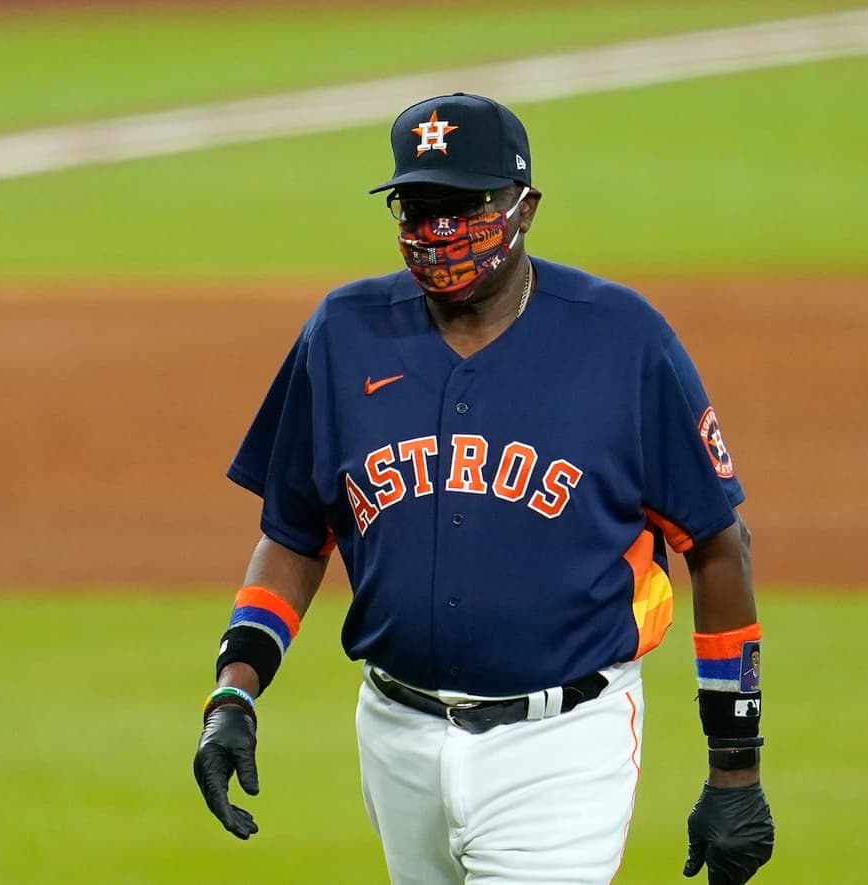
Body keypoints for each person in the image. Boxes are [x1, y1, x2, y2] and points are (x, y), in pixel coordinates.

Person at [193, 92, 775, 884]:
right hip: (394, 734)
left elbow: (717, 542)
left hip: (561, 745)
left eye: (463, 205)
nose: (437, 230)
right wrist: (236, 691)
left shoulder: (622, 341)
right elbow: (295, 533)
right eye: (419, 204)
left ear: (525, 207)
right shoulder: (342, 334)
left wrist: (734, 763)